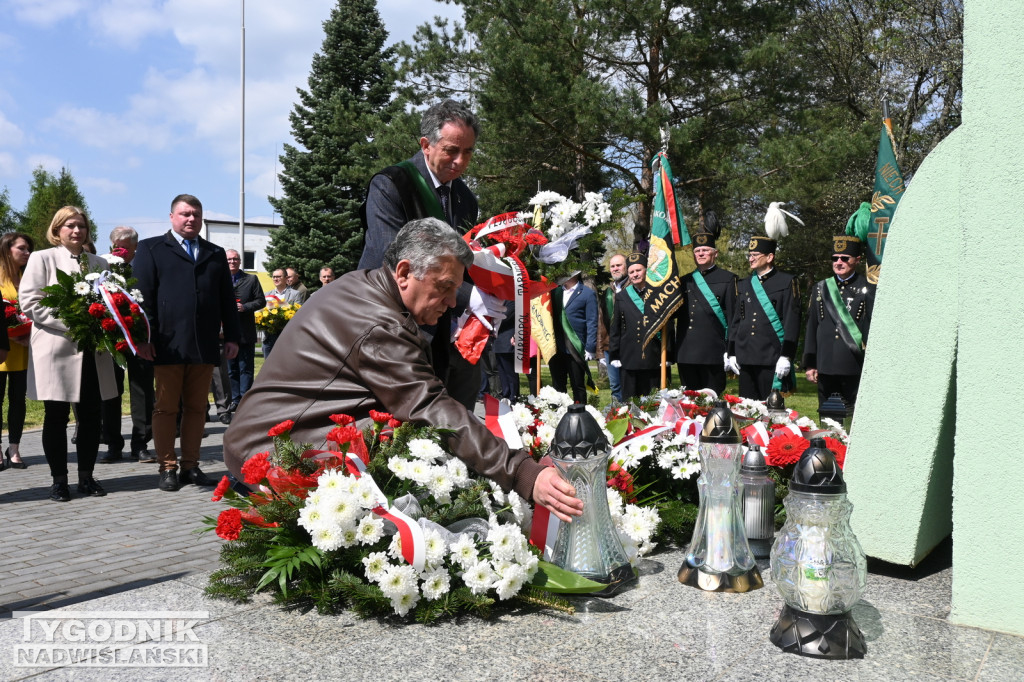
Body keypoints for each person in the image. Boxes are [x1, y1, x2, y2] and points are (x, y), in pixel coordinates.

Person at [225, 218, 582, 523]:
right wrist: (522, 473)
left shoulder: (365, 285)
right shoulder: (379, 326)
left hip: (277, 438)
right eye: (444, 288)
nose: (451, 302)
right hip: (272, 453)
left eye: (456, 290)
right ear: (404, 272)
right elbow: (429, 406)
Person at [357, 99, 498, 411]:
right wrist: (469, 296)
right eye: (451, 150)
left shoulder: (464, 199)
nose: (461, 161)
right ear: (426, 144)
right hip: (392, 326)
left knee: (451, 419)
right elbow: (391, 259)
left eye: (469, 152)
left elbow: (465, 260)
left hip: (447, 330)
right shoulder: (392, 185)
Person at [133, 194, 241, 492]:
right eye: (184, 214)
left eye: (195, 214)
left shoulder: (214, 253)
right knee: (166, 408)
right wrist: (144, 339)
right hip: (166, 345)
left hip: (204, 345)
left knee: (197, 408)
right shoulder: (151, 249)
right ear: (172, 217)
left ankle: (191, 466)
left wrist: (232, 336)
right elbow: (142, 300)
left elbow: (226, 301)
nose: (190, 219)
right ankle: (167, 466)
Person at [20, 207, 118, 501]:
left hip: (92, 351)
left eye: (81, 226)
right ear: (57, 229)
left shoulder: (99, 263)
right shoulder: (42, 258)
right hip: (56, 348)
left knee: (90, 416)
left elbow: (112, 300)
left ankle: (86, 477)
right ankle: (59, 480)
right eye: (70, 226)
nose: (76, 231)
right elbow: (30, 302)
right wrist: (74, 324)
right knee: (56, 415)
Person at [96, 226, 157, 463]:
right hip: (112, 341)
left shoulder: (145, 268)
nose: (119, 251)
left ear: (135, 248)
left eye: (125, 247)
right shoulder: (101, 269)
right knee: (111, 393)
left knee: (142, 392)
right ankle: (113, 443)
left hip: (141, 340)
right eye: (116, 246)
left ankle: (140, 444)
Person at [803, 235, 876, 411]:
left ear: (857, 260)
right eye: (835, 258)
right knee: (827, 415)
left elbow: (870, 327)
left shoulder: (867, 288)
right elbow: (812, 327)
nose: (839, 262)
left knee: (853, 414)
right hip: (825, 364)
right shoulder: (821, 288)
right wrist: (811, 363)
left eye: (845, 258)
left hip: (853, 364)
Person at [727, 236, 800, 400]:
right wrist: (731, 352)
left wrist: (786, 355)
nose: (751, 259)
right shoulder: (744, 283)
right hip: (745, 354)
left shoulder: (787, 281)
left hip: (771, 355)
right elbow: (736, 321)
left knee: (771, 410)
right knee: (746, 408)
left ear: (770, 257)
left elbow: (791, 320)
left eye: (755, 255)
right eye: (749, 255)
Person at [674, 232, 737, 395]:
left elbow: (733, 319)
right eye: (697, 251)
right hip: (686, 353)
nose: (700, 253)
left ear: (715, 254)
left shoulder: (729, 279)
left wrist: (731, 351)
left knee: (712, 404)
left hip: (713, 353)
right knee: (688, 403)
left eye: (705, 250)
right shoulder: (683, 281)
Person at [0, 232, 33, 469]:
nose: (27, 253)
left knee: (18, 400)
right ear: (6, 249)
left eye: (28, 249)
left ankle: (14, 449)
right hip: (1, 349)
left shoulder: (28, 277)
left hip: (23, 348)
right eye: (22, 248)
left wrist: (29, 333)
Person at [608, 253, 660, 401]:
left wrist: (668, 352)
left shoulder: (658, 294)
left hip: (653, 356)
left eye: (638, 270)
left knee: (653, 402)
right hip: (629, 357)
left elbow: (667, 326)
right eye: (631, 272)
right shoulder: (622, 296)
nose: (635, 274)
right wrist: (614, 354)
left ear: (646, 271)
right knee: (629, 402)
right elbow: (615, 328)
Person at [225, 249, 265, 411]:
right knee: (231, 369)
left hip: (245, 332)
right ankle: (235, 399)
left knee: (245, 368)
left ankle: (245, 399)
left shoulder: (251, 279)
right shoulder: (220, 279)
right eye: (229, 260)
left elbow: (261, 301)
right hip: (226, 332)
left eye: (235, 259)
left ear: (240, 261)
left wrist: (245, 307)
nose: (232, 262)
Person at [550, 271, 598, 403]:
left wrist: (590, 346)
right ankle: (558, 416)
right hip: (556, 346)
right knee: (558, 385)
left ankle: (580, 415)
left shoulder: (587, 294)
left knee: (577, 384)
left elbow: (592, 322)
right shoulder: (555, 292)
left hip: (575, 346)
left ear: (574, 274)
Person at [597, 253, 627, 401]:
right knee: (615, 386)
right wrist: (600, 351)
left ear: (626, 267)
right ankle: (617, 417)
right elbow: (600, 323)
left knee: (629, 384)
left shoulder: (634, 287)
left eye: (619, 265)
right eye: (613, 266)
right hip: (610, 347)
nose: (615, 269)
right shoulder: (607, 292)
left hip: (630, 346)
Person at [263, 268, 303, 358]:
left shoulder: (295, 294)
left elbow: (299, 313)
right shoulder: (266, 295)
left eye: (278, 276)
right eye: (274, 277)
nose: (276, 279)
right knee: (268, 365)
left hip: (286, 336)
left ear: (286, 278)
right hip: (269, 337)